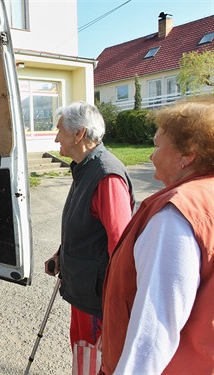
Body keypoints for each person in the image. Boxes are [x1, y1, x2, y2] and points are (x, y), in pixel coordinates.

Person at [100, 96, 214, 375]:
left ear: (187, 156)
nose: (151, 156)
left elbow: (154, 329)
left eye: (156, 145)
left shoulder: (174, 214)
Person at [44, 101, 134, 349]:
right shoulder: (85, 168)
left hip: (98, 299)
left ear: (79, 133)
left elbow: (120, 246)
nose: (56, 139)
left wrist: (116, 309)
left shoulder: (106, 175)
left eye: (59, 130)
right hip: (84, 289)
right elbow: (86, 227)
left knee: (95, 359)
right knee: (83, 354)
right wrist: (62, 254)